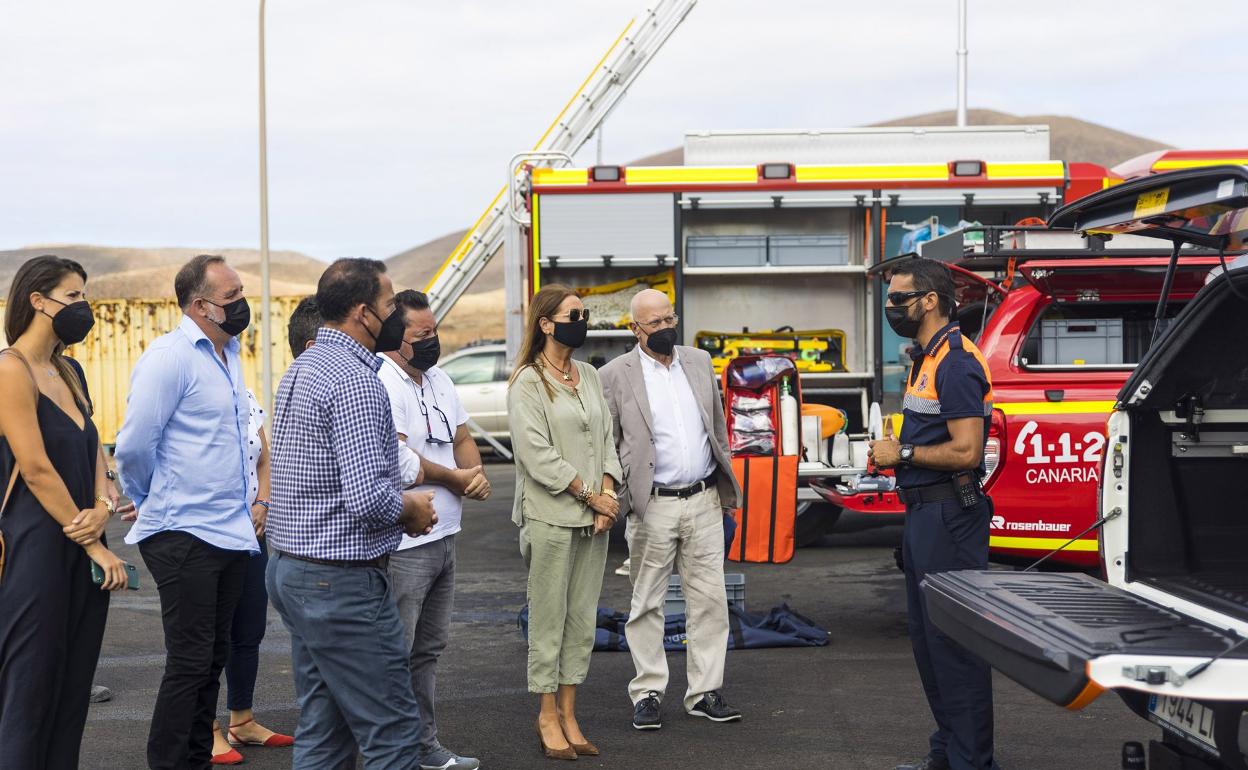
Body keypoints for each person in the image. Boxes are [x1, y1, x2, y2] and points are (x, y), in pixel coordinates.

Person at [266, 258, 438, 769]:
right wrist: (409, 507)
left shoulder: (305, 365)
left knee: (325, 729)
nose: (396, 316)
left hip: (296, 571)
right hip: (339, 586)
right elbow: (368, 501)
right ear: (364, 313)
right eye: (390, 307)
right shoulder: (356, 382)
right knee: (393, 732)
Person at [115, 254, 261, 770]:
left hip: (230, 532)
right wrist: (148, 495)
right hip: (184, 533)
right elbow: (134, 445)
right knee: (191, 662)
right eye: (233, 297)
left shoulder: (228, 353)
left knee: (211, 661)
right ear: (200, 306)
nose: (243, 304)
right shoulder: (170, 357)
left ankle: (195, 760)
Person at [868, 257, 999, 770]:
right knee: (929, 646)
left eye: (899, 298)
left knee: (957, 648)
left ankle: (972, 763)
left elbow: (967, 452)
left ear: (930, 300)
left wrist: (899, 455)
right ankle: (947, 755)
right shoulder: (929, 356)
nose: (891, 307)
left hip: (951, 517)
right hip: (925, 516)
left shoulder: (957, 362)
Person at [0, 255, 127, 770]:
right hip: (36, 548)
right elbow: (35, 468)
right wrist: (94, 541)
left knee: (72, 689)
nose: (83, 307)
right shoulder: (10, 370)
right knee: (29, 692)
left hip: (78, 541)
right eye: (73, 297)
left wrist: (101, 505)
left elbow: (94, 447)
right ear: (38, 300)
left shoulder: (69, 370)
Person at [599, 289, 743, 730]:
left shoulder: (698, 361)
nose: (665, 329)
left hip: (703, 500)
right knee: (646, 604)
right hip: (652, 505)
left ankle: (704, 692)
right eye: (654, 323)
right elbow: (608, 442)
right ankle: (647, 693)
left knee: (710, 601)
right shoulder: (613, 375)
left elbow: (716, 425)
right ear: (634, 329)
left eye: (670, 319)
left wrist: (723, 485)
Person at [507, 284, 622, 761]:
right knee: (549, 620)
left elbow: (607, 436)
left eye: (584, 312)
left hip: (594, 517)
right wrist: (589, 495)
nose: (582, 319)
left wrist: (609, 493)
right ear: (546, 323)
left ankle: (571, 713)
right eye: (573, 313)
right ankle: (547, 714)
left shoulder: (589, 375)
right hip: (551, 516)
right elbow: (537, 455)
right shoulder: (528, 383)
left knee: (581, 620)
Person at [376, 289, 487, 770]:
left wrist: (475, 473)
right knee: (395, 653)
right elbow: (400, 461)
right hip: (406, 542)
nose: (433, 342)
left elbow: (462, 437)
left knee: (428, 650)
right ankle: (391, 752)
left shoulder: (439, 378)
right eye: (423, 335)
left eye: (435, 331)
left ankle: (423, 747)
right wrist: (454, 479)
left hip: (446, 537)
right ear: (397, 338)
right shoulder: (384, 382)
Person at [208, 387, 295, 765]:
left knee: (248, 627)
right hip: (206, 530)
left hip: (250, 530)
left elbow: (264, 458)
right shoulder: (188, 385)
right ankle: (206, 728)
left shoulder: (244, 392)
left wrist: (262, 503)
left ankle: (242, 720)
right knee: (208, 633)